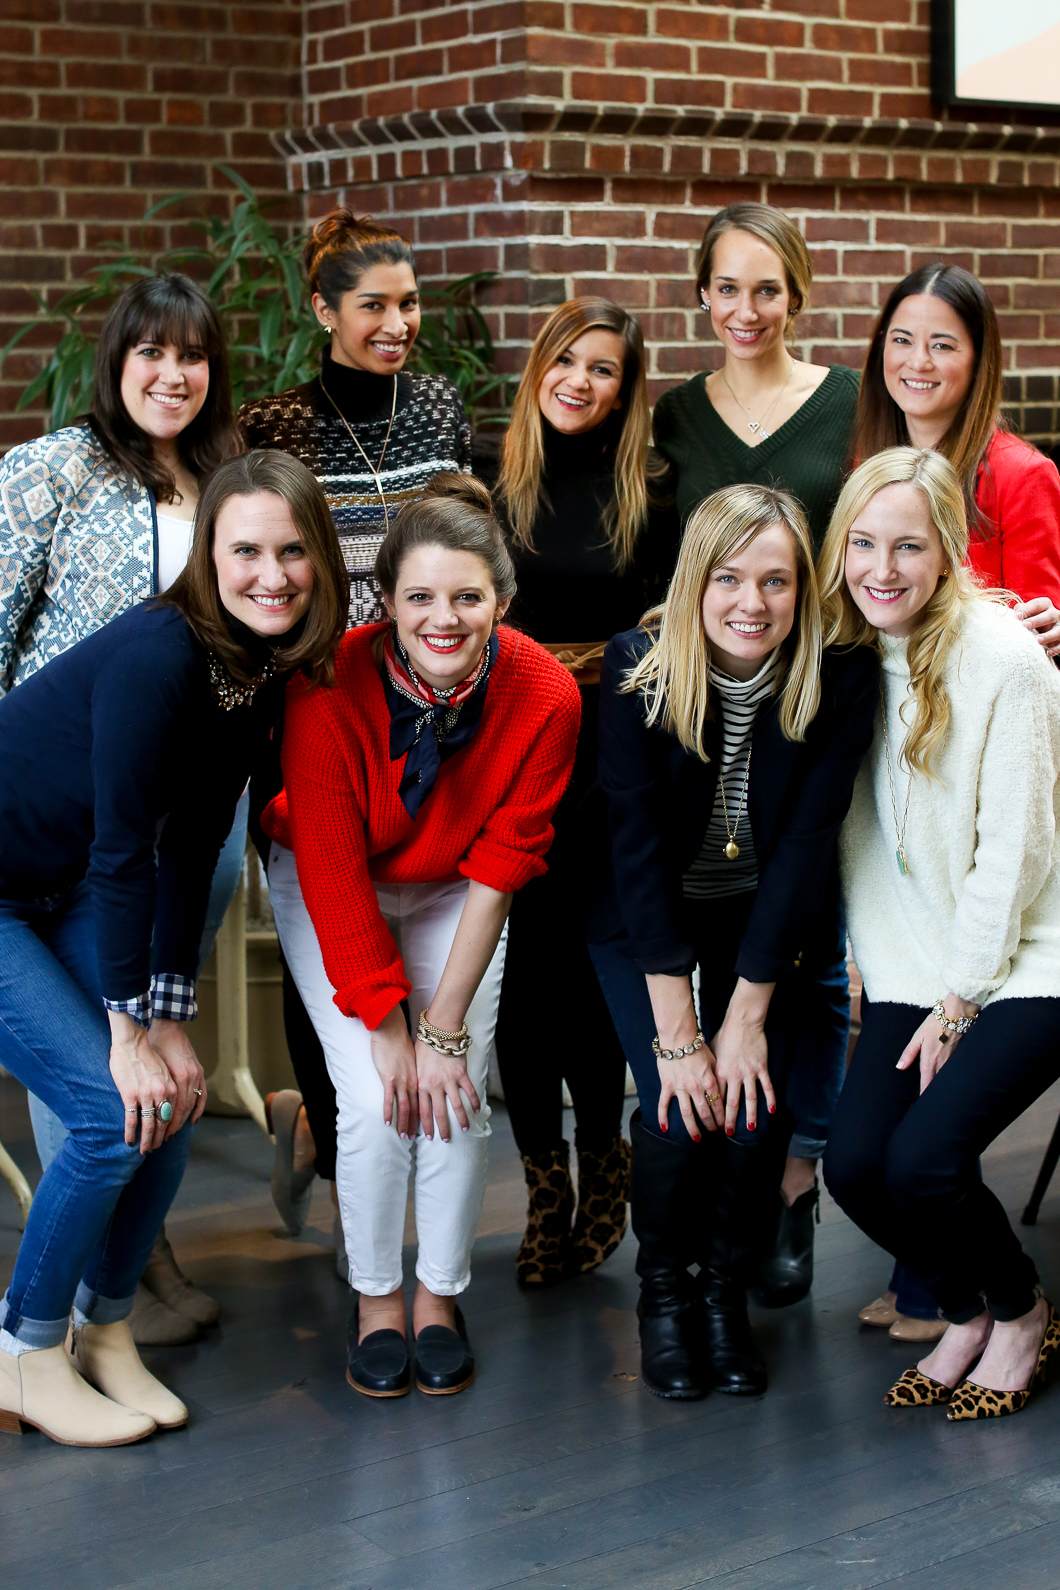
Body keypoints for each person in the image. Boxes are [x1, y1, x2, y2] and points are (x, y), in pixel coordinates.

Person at [0, 450, 349, 1446]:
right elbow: (122, 852)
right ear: (209, 557)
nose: (270, 575)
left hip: (51, 884)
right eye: (245, 551)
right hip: (25, 887)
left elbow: (191, 841)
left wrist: (171, 1020)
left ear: (319, 558)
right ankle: (24, 1349)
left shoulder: (258, 666)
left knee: (173, 1099)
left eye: (290, 551)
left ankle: (105, 1332)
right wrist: (126, 1031)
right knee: (112, 1112)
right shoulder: (163, 655)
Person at [265, 474, 580, 1399]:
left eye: (468, 597)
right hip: (336, 883)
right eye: (421, 598)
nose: (444, 620)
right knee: (371, 1099)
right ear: (387, 600)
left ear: (502, 599)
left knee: (450, 1091)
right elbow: (328, 866)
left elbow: (502, 866)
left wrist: (440, 1029)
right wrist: (388, 1029)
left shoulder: (547, 693)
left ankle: (439, 1297)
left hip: (455, 888)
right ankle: (375, 1299)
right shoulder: (325, 685)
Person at [585, 483, 877, 1400]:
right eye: (728, 577)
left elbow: (802, 851)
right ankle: (664, 1298)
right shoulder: (635, 668)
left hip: (760, 914)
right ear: (692, 581)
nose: (752, 603)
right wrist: (681, 1031)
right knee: (683, 1100)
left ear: (805, 591)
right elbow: (630, 851)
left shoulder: (836, 676)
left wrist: (745, 1015)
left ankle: (721, 1296)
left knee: (755, 1099)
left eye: (777, 581)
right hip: (646, 919)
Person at [0, 272, 245, 1345]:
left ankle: (129, 1266)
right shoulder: (55, 468)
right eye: (151, 352)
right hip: (53, 810)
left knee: (150, 1036)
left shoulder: (231, 483)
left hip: (178, 827)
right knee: (97, 1057)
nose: (171, 375)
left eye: (191, 356)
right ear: (117, 362)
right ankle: (95, 1277)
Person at [240, 211, 473, 1254]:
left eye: (409, 303)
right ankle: (337, 1161)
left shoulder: (438, 404)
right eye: (372, 305)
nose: (397, 323)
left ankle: (329, 1140)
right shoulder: (274, 422)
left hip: (420, 698)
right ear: (323, 310)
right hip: (315, 697)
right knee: (324, 925)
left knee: (395, 898)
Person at [820, 446, 1060, 1420]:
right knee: (855, 1168)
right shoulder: (843, 657)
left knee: (923, 1160)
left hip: (1031, 961)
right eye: (863, 543)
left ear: (948, 549)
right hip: (917, 961)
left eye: (908, 546)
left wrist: (961, 997)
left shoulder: (1001, 659)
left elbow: (1017, 852)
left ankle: (1020, 1312)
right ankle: (963, 1308)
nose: (882, 568)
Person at [651, 201, 861, 1306]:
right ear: (701, 295)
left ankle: (793, 1178)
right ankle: (708, 1194)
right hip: (715, 704)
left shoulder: (845, 404)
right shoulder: (675, 416)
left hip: (821, 692)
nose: (746, 310)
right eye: (725, 287)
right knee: (727, 936)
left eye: (766, 288)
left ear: (798, 292)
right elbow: (661, 561)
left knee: (813, 956)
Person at [853, 262, 1060, 1338]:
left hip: (990, 777)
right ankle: (944, 1278)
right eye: (901, 340)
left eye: (941, 342)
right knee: (876, 1149)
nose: (917, 362)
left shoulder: (1013, 474)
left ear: (978, 360)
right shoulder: (872, 468)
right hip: (912, 825)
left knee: (926, 1137)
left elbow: (1035, 625)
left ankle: (963, 1294)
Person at [486, 296, 681, 1286]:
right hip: (514, 763)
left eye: (603, 368)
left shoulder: (651, 488)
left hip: (611, 773)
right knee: (525, 990)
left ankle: (605, 1167)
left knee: (595, 985)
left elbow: (659, 638)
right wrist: (584, 660)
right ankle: (540, 1192)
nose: (580, 380)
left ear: (625, 386)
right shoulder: (493, 482)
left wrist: (556, 660)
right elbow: (470, 637)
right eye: (567, 359)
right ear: (540, 365)